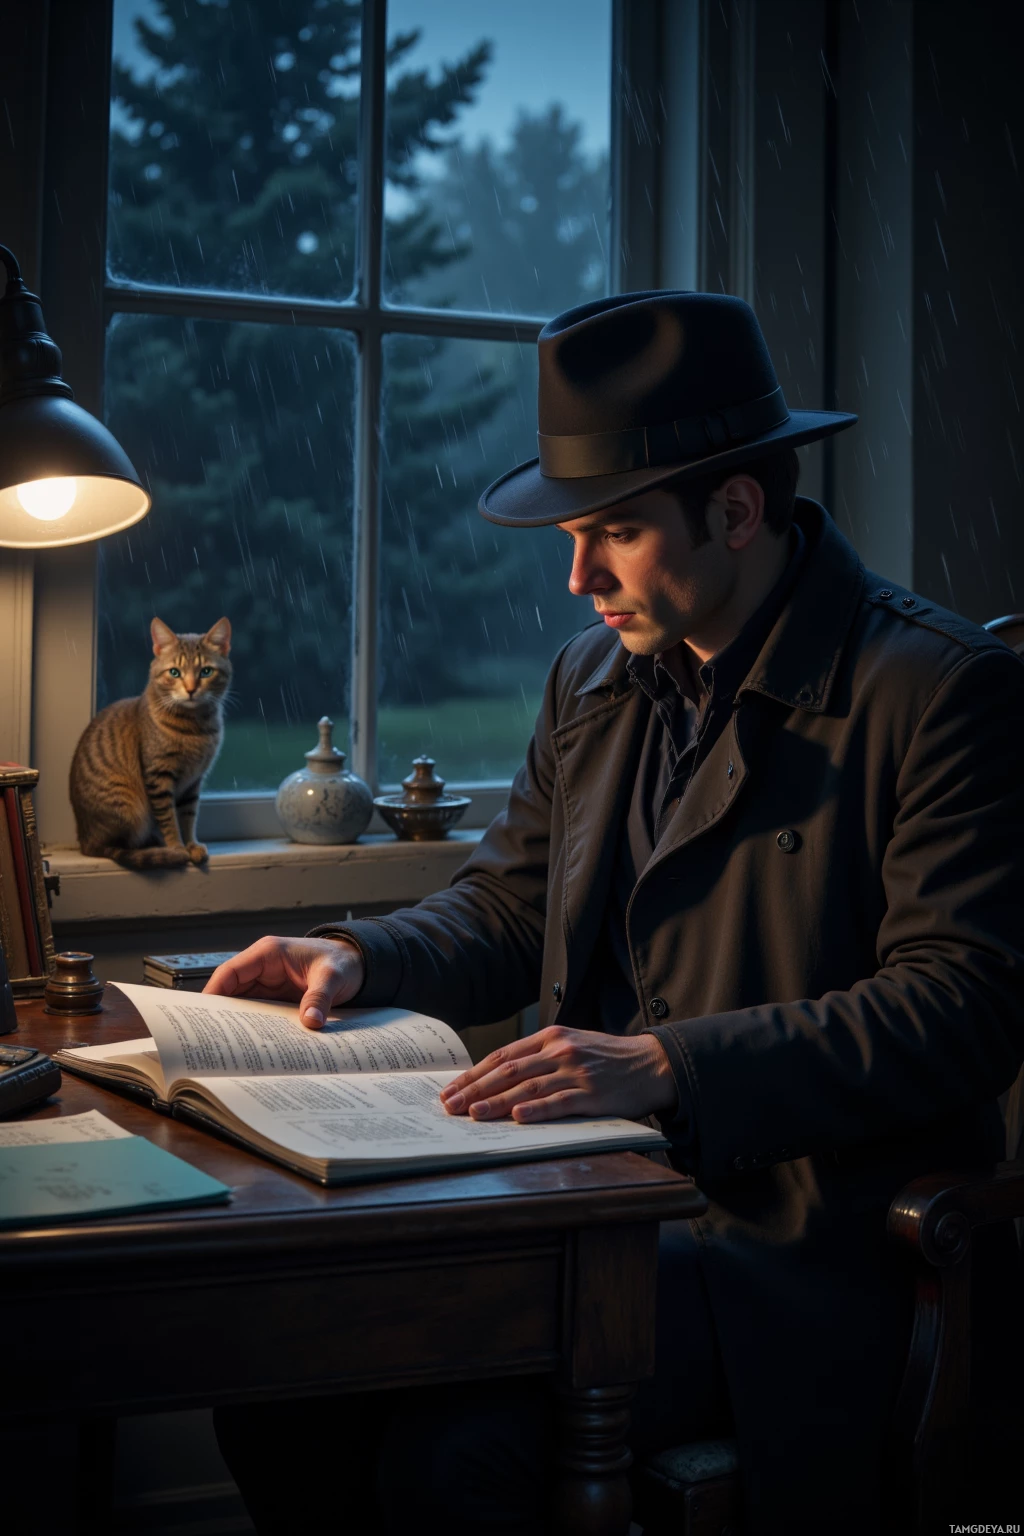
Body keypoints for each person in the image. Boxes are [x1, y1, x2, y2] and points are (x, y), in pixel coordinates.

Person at [206, 291, 1024, 1534]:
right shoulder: (594, 675)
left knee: (451, 1457)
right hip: (575, 1206)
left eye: (615, 535)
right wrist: (360, 953)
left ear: (737, 510)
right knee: (277, 1392)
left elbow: (960, 1009)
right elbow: (511, 902)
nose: (579, 576)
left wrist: (665, 1066)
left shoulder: (941, 692)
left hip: (794, 1260)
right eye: (574, 537)